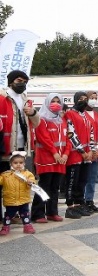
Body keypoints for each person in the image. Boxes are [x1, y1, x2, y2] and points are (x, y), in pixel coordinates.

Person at [0, 70, 39, 221]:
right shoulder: (3, 98)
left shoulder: (25, 98)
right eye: (18, 80)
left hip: (22, 147)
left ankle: (13, 212)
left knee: (17, 183)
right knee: (4, 181)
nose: (21, 83)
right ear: (10, 81)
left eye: (24, 80)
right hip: (5, 147)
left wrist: (33, 112)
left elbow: (37, 123)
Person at [31, 93, 67, 223]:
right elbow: (43, 138)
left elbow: (67, 139)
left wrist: (65, 154)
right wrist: (55, 153)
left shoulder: (61, 120)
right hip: (46, 158)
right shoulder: (41, 119)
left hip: (60, 160)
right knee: (44, 185)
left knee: (54, 186)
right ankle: (37, 213)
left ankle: (52, 212)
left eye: (58, 101)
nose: (56, 104)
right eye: (53, 101)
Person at [63, 92, 94, 218]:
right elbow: (71, 134)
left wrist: (91, 149)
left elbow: (91, 133)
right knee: (72, 181)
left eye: (85, 99)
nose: (83, 101)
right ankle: (70, 207)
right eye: (80, 99)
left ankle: (79, 204)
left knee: (82, 181)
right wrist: (82, 150)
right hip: (76, 154)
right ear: (75, 100)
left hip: (87, 155)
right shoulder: (70, 114)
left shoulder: (86, 115)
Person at [0, 152, 36, 235]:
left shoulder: (28, 174)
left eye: (21, 163)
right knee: (9, 214)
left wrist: (30, 182)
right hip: (10, 200)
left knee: (25, 214)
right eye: (15, 163)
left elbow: (32, 183)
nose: (18, 165)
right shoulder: (6, 175)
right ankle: (6, 226)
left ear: (24, 163)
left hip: (23, 200)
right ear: (11, 164)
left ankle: (27, 225)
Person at [83, 91, 98, 214]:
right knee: (84, 178)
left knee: (92, 178)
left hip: (94, 152)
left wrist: (97, 149)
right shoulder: (81, 114)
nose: (93, 100)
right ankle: (82, 201)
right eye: (91, 98)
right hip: (84, 152)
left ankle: (89, 200)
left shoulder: (96, 115)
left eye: (95, 98)